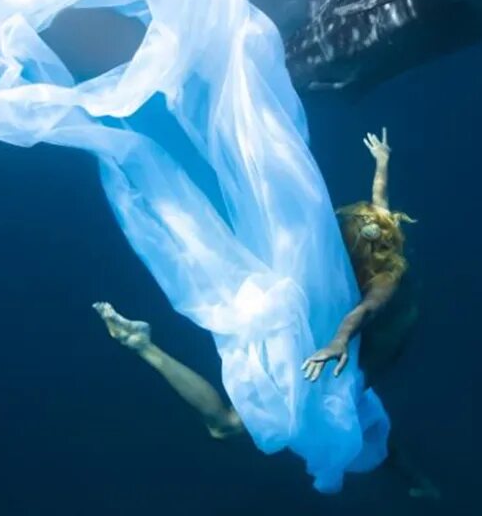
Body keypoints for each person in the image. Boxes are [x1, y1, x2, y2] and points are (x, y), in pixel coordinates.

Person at [93, 129, 438, 498]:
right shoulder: (379, 251)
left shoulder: (376, 272)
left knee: (241, 425)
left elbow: (366, 309)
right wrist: (382, 160)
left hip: (329, 357)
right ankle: (142, 346)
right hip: (324, 363)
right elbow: (379, 205)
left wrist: (338, 341)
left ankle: (143, 345)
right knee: (230, 425)